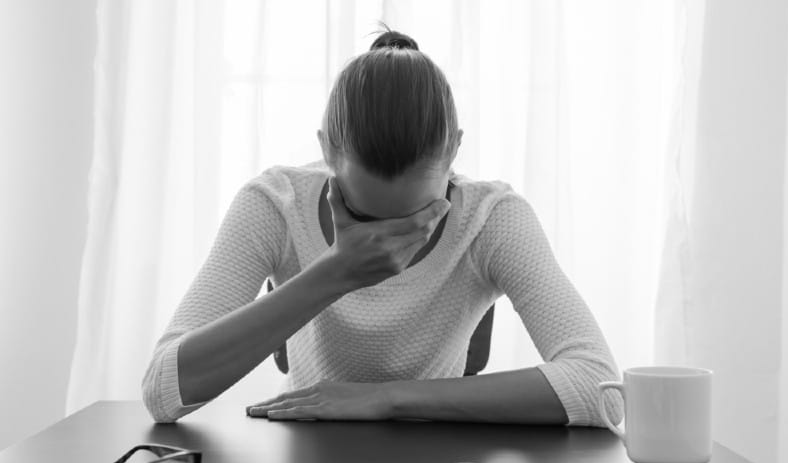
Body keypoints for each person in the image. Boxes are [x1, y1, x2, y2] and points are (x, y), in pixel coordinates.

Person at [141, 26, 624, 427]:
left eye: (415, 217)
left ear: (455, 150)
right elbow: (162, 391)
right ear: (327, 150)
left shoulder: (491, 218)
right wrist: (335, 273)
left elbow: (601, 388)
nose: (386, 240)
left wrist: (387, 398)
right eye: (365, 214)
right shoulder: (275, 205)